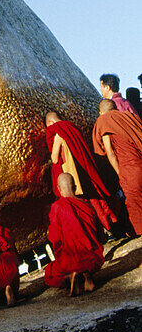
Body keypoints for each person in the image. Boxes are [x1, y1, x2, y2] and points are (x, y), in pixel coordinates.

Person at [44, 111, 117, 230]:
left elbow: (55, 158)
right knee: (96, 200)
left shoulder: (58, 133)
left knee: (81, 204)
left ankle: (96, 230)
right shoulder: (73, 127)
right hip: (83, 169)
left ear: (51, 122)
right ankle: (109, 228)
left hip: (72, 173)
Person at [43, 173, 104, 295]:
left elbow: (55, 238)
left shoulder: (57, 207)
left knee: (50, 274)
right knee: (85, 261)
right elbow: (100, 235)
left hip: (69, 262)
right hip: (93, 260)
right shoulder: (87, 205)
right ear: (75, 187)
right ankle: (86, 274)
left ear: (58, 188)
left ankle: (71, 276)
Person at [93, 99, 142, 235]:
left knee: (134, 200)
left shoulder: (105, 120)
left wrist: (120, 173)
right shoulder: (128, 117)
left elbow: (110, 152)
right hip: (139, 160)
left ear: (101, 112)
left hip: (129, 167)